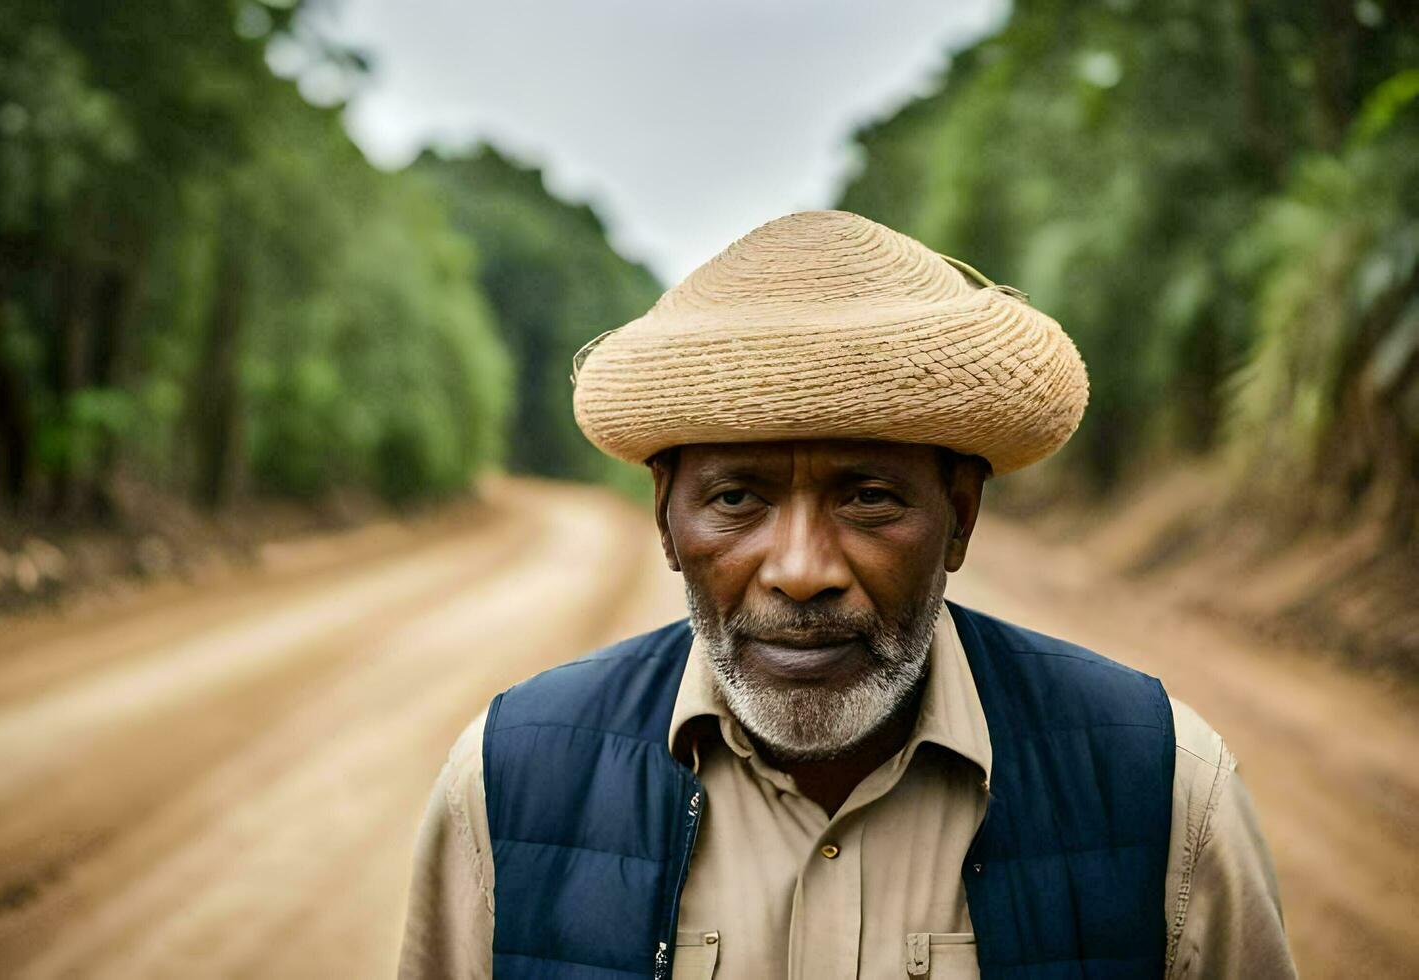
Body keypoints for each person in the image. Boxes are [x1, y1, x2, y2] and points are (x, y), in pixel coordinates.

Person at [397, 211, 1296, 979]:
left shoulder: (1162, 784)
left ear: (961, 516)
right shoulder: (505, 783)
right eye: (735, 498)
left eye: (869, 496)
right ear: (667, 524)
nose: (800, 569)